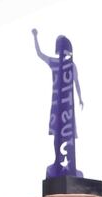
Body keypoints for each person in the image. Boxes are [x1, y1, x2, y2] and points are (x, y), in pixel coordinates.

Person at [32, 29, 84, 178]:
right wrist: (35, 37)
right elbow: (40, 54)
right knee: (58, 132)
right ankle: (57, 161)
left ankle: (70, 165)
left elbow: (76, 83)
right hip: (58, 105)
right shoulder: (56, 63)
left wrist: (80, 98)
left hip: (67, 105)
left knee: (67, 134)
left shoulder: (70, 65)